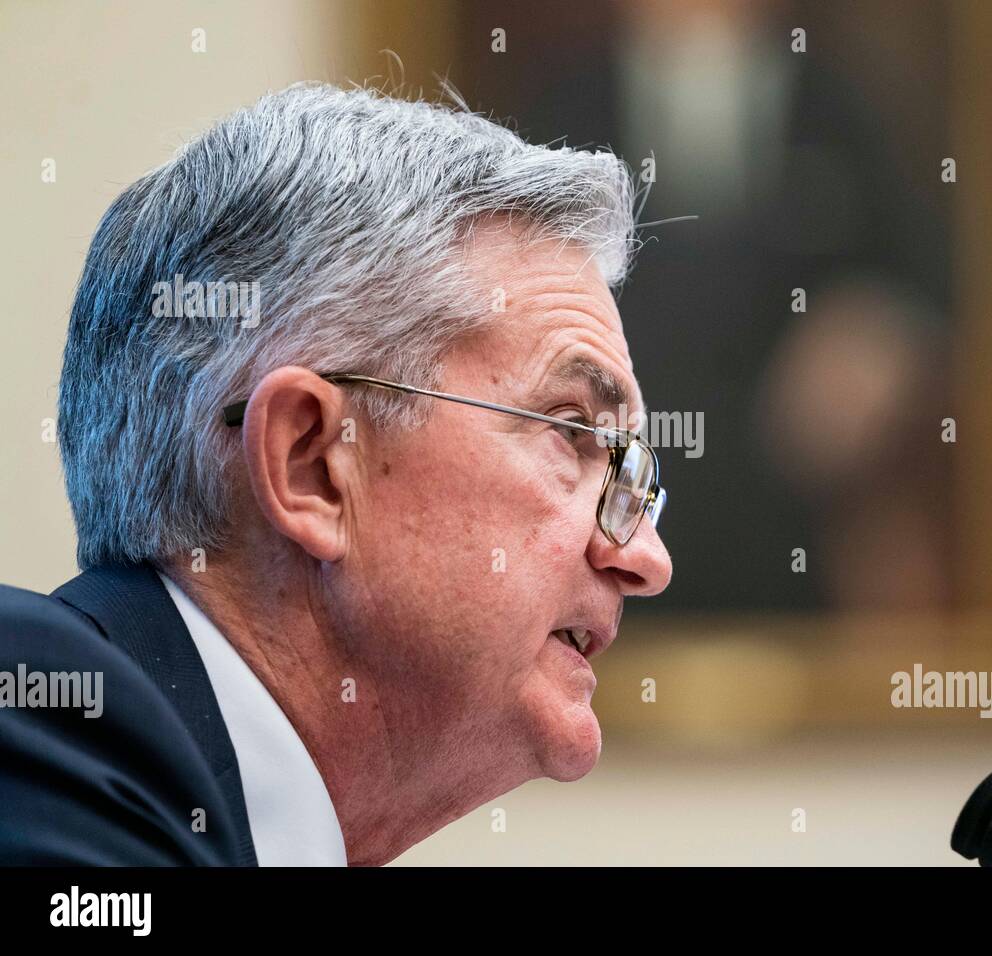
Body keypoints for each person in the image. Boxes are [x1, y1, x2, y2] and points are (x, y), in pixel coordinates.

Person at [0, 83, 672, 866]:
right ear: (312, 464)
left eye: (631, 470)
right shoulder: (39, 722)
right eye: (575, 434)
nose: (645, 559)